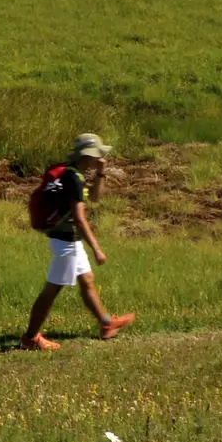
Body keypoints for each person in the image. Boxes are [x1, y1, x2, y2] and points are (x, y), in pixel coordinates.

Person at [20, 133, 135, 351]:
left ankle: (106, 324)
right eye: (97, 155)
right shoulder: (73, 178)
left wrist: (101, 172)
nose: (100, 158)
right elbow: (80, 218)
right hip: (67, 243)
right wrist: (97, 249)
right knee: (51, 290)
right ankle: (30, 338)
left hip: (69, 240)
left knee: (87, 280)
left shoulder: (75, 174)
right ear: (88, 155)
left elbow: (95, 198)